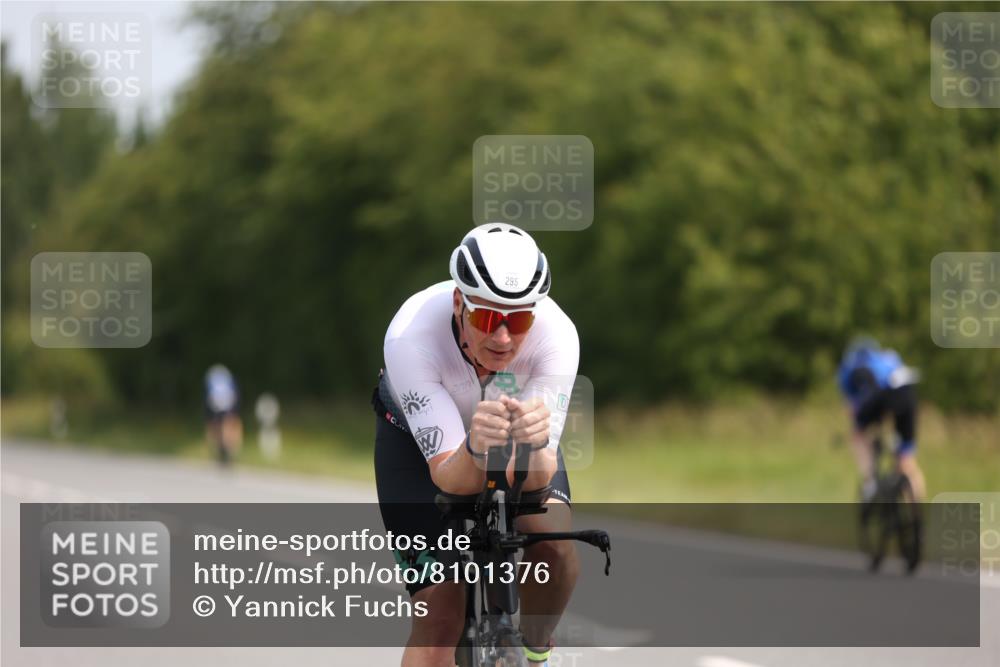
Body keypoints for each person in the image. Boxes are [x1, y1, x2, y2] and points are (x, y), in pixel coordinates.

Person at [373, 223, 580, 667]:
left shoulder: (558, 336)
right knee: (438, 616)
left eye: (518, 321)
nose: (502, 338)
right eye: (487, 318)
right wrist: (473, 450)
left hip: (513, 442)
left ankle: (536, 652)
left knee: (555, 548)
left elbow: (538, 478)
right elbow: (448, 477)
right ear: (458, 303)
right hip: (419, 448)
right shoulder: (410, 336)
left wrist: (533, 446)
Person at [837, 337, 925, 502]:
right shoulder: (889, 357)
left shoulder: (849, 367)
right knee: (906, 457)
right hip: (907, 392)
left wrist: (859, 423)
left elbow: (853, 406)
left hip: (880, 394)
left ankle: (870, 482)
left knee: (858, 435)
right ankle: (916, 510)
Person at [204, 364, 243, 465]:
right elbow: (234, 394)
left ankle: (219, 450)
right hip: (226, 403)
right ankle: (229, 450)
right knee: (229, 425)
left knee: (216, 426)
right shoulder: (227, 377)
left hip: (216, 404)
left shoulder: (212, 377)